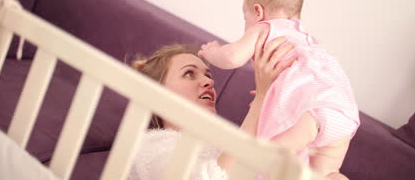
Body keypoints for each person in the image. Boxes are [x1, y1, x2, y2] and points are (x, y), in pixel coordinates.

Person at [198, 0, 360, 178]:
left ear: (258, 12)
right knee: (328, 173)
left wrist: (211, 52)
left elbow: (232, 57)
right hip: (343, 113)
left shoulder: (266, 28)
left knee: (266, 157)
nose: (246, 25)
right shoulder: (303, 38)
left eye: (244, 17)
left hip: (315, 112)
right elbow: (300, 84)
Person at [128, 30, 300, 180]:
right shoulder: (150, 147)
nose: (208, 81)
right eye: (189, 73)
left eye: (208, 75)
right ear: (158, 93)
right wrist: (260, 103)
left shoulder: (219, 143)